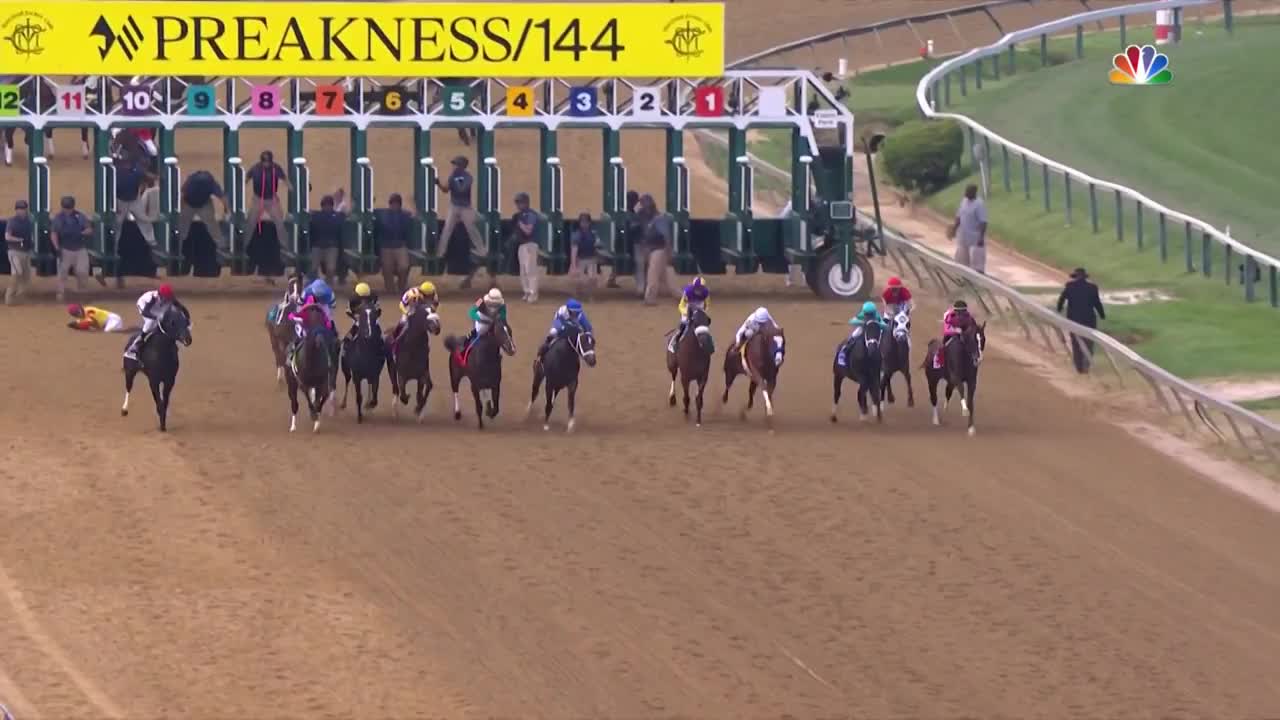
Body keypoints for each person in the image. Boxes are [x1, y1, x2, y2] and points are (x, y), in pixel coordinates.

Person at [434, 155, 488, 289]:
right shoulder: (453, 175)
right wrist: (438, 183)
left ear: (463, 165)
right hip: (454, 205)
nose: (454, 166)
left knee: (471, 227)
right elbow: (446, 190)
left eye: (457, 164)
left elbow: (462, 189)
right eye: (454, 164)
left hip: (465, 206)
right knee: (447, 229)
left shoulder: (468, 176)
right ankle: (440, 252)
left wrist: (454, 180)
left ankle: (481, 250)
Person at [1057, 267, 1106, 374]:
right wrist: (1102, 315)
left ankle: (1079, 368)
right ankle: (1086, 366)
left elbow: (1061, 299)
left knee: (1076, 343)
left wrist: (1059, 310)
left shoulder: (1069, 286)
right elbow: (1097, 303)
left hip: (1074, 319)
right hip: (1089, 319)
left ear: (1075, 277)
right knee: (1088, 343)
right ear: (1085, 277)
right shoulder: (1093, 287)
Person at [124, 284, 191, 360]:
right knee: (151, 322)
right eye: (166, 298)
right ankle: (134, 347)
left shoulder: (169, 297)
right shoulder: (152, 298)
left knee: (168, 314)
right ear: (160, 295)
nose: (168, 299)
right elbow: (145, 312)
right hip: (144, 306)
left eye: (169, 298)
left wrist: (186, 320)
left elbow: (182, 308)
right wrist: (156, 317)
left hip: (156, 306)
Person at [50, 195, 97, 302]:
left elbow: (89, 229)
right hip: (65, 249)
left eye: (69, 208)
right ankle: (60, 293)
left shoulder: (79, 216)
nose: (67, 210)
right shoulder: (58, 218)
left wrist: (81, 233)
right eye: (66, 208)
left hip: (80, 249)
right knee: (62, 273)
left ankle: (82, 293)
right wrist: (57, 247)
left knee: (82, 272)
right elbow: (54, 234)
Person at [373, 192, 416, 296]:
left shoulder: (405, 215)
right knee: (387, 269)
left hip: (400, 246)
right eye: (393, 203)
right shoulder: (382, 215)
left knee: (404, 267)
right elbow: (368, 213)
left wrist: (414, 204)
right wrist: (371, 202)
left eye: (396, 204)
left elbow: (416, 217)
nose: (394, 206)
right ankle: (390, 289)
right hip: (386, 246)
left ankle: (401, 286)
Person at [244, 149, 290, 243]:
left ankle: (286, 246)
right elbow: (247, 177)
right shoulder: (255, 168)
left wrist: (290, 187)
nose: (266, 164)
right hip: (258, 199)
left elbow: (284, 178)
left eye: (268, 162)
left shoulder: (276, 168)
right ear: (261, 161)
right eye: (264, 161)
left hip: (272, 200)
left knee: (280, 224)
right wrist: (243, 184)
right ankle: (244, 245)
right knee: (250, 223)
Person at [178, 168, 230, 250]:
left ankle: (221, 244)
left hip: (204, 204)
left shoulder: (210, 183)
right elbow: (183, 196)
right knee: (183, 225)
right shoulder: (192, 182)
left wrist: (227, 209)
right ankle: (179, 244)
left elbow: (222, 197)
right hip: (189, 204)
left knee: (212, 224)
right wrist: (226, 210)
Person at [308, 190, 348, 287]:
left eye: (329, 205)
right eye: (325, 205)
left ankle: (327, 286)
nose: (327, 207)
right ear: (322, 206)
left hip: (331, 246)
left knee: (331, 269)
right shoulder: (316, 215)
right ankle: (314, 286)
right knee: (313, 268)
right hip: (318, 246)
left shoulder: (317, 216)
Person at [536, 298, 592, 366]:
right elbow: (558, 323)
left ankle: (585, 354)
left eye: (577, 313)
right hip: (561, 323)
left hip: (574, 326)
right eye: (573, 312)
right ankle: (542, 353)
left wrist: (588, 335)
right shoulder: (562, 312)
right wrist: (566, 329)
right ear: (568, 310)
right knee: (553, 332)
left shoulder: (580, 314)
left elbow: (588, 327)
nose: (575, 314)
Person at [114, 159, 156, 247]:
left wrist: (152, 179)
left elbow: (149, 179)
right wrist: (115, 205)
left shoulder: (137, 171)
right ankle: (114, 244)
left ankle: (151, 241)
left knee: (144, 220)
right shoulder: (117, 174)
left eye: (128, 164)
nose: (127, 166)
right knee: (117, 223)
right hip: (121, 201)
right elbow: (112, 191)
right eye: (125, 164)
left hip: (134, 201)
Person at [947, 184, 988, 274]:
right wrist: (954, 228)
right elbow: (959, 216)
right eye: (966, 191)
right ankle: (963, 279)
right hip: (963, 235)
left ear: (974, 193)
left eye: (968, 192)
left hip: (975, 237)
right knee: (961, 260)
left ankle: (978, 280)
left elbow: (983, 222)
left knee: (977, 263)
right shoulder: (964, 201)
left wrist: (981, 238)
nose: (966, 193)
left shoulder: (979, 204)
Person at [388, 280, 440, 348]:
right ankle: (394, 337)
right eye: (429, 295)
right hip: (410, 308)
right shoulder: (411, 294)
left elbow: (434, 308)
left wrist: (431, 315)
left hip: (423, 310)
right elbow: (402, 304)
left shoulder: (434, 296)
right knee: (403, 322)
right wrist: (407, 313)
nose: (431, 297)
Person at [510, 192, 541, 302]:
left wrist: (520, 224)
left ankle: (533, 294)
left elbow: (529, 230)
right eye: (517, 203)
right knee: (523, 270)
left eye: (520, 203)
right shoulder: (521, 215)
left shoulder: (530, 214)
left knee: (530, 270)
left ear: (526, 203)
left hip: (530, 244)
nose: (518, 205)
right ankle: (527, 292)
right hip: (522, 244)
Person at [669, 275, 710, 353]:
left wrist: (703, 313)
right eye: (697, 288)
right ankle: (674, 341)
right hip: (687, 309)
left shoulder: (705, 293)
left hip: (699, 310)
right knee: (683, 324)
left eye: (700, 288)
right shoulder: (688, 292)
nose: (698, 290)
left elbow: (707, 305)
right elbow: (681, 305)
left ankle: (709, 345)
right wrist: (686, 313)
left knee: (705, 325)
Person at [5, 199, 33, 305]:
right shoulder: (12, 221)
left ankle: (18, 297)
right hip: (14, 252)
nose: (22, 211)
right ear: (16, 210)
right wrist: (19, 239)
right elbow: (7, 236)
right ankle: (9, 297)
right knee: (17, 273)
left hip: (26, 252)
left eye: (24, 209)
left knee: (26, 278)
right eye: (20, 209)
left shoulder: (29, 221)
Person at [935, 300, 978, 369]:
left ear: (965, 311)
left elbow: (973, 327)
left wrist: (968, 331)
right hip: (952, 335)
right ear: (955, 311)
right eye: (958, 311)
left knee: (973, 342)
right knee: (943, 346)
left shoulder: (969, 317)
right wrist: (956, 331)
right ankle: (940, 363)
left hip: (965, 334)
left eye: (963, 311)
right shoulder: (949, 316)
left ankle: (974, 358)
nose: (960, 314)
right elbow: (947, 329)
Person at [569, 212, 600, 298]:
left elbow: (597, 247)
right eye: (582, 222)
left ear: (589, 223)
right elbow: (574, 250)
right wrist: (573, 265)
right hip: (580, 259)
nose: (584, 224)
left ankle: (590, 295)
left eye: (586, 222)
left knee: (592, 278)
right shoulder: (576, 235)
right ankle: (578, 293)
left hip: (591, 258)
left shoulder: (594, 234)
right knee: (579, 280)